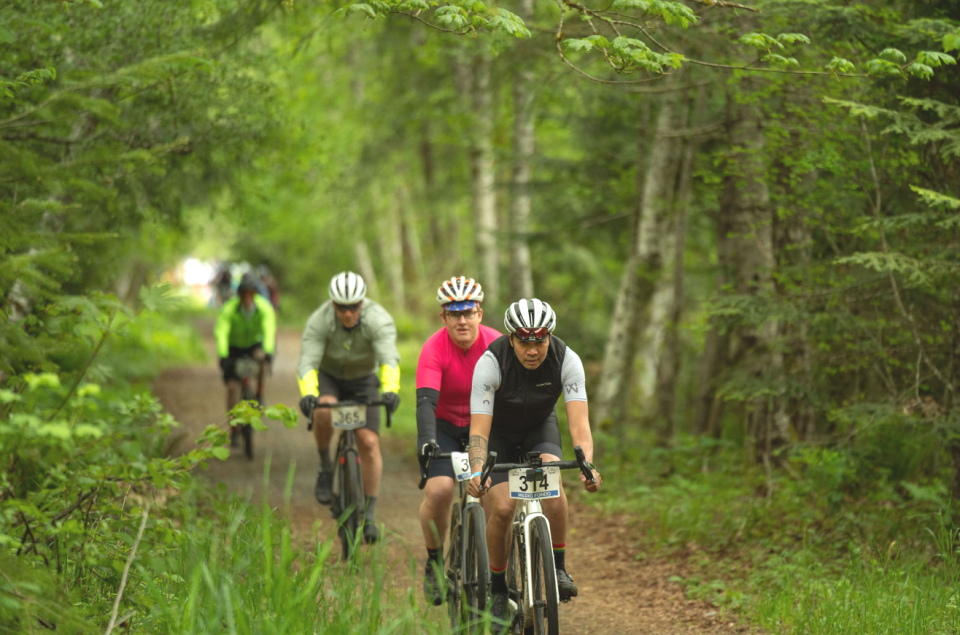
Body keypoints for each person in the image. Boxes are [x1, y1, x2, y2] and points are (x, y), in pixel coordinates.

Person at [466, 298, 602, 626]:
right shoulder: (490, 362)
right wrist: (477, 469)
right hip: (497, 433)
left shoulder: (567, 360)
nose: (532, 350)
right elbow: (479, 430)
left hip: (539, 429)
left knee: (552, 486)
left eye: (540, 341)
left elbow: (580, 424)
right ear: (511, 338)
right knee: (500, 509)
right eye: (524, 342)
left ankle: (557, 567)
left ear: (550, 338)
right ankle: (498, 590)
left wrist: (588, 466)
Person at [296, 271, 401, 544]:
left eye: (353, 307)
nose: (347, 313)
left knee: (368, 442)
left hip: (364, 380)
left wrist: (390, 390)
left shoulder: (379, 320)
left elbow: (389, 359)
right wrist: (309, 393)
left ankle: (368, 514)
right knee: (323, 411)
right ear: (333, 305)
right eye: (341, 307)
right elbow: (307, 362)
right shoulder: (319, 321)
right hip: (329, 376)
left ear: (362, 303)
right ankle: (325, 466)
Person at [416, 276, 500, 605]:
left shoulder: (497, 344)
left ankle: (498, 571)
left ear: (480, 313)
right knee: (439, 490)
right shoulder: (434, 348)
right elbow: (426, 402)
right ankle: (435, 561)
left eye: (468, 312)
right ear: (443, 318)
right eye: (454, 313)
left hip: (487, 424)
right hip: (444, 426)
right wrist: (426, 441)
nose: (462, 320)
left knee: (496, 492)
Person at [214, 273, 277, 443]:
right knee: (233, 387)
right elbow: (222, 332)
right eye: (244, 295)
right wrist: (223, 355)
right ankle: (234, 429)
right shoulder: (229, 308)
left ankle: (259, 392)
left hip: (253, 346)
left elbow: (269, 329)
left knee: (261, 358)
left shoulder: (264, 307)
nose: (248, 298)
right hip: (234, 348)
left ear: (255, 294)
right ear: (239, 295)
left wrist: (268, 350)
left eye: (251, 294)